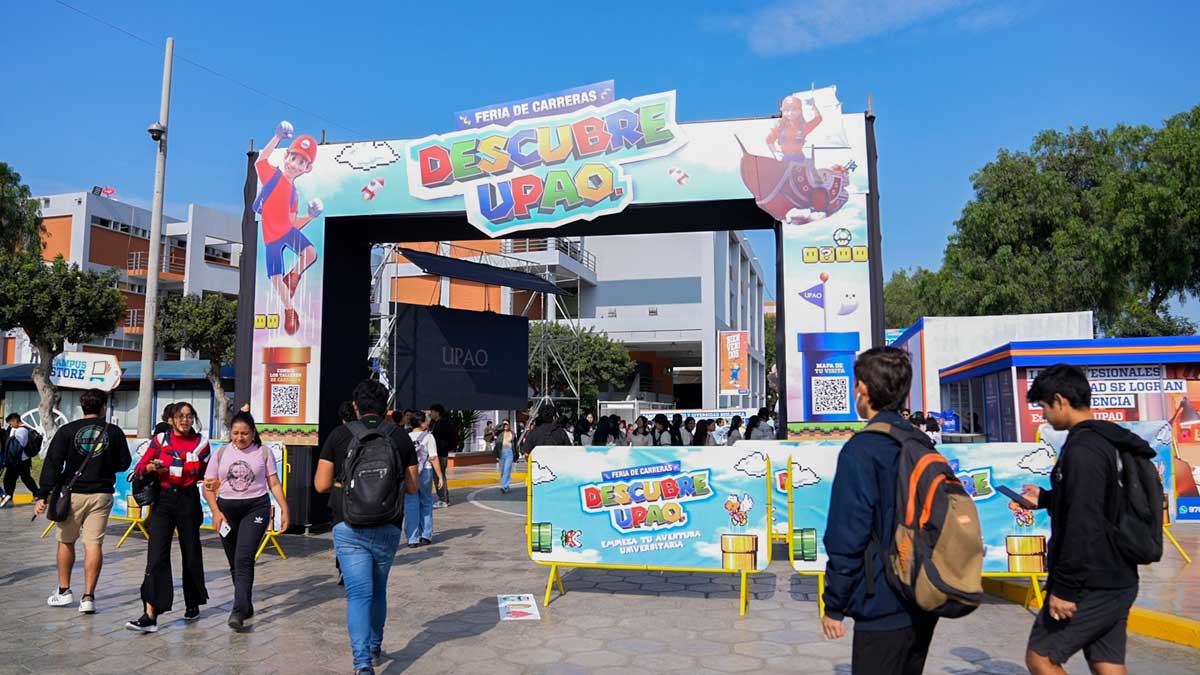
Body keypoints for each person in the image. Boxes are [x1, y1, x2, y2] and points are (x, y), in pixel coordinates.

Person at [1022, 364, 1151, 675]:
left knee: (1041, 658)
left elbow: (1083, 523)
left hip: (1088, 582)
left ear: (1060, 400)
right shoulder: (1109, 440)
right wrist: (1048, 499)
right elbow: (1099, 502)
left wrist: (1065, 589)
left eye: (1043, 407)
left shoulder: (1083, 449)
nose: (1043, 415)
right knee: (1106, 663)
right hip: (1118, 576)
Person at [821, 347, 938, 674]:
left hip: (882, 601)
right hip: (924, 592)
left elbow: (848, 535)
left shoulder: (861, 450)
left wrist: (834, 604)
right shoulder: (919, 441)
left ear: (863, 388)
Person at [316, 380, 418, 675]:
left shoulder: (339, 435)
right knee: (379, 589)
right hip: (388, 524)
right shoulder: (399, 436)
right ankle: (375, 646)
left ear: (356, 406)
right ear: (386, 407)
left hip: (347, 525)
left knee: (359, 594)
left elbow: (321, 484)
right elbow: (412, 487)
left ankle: (362, 664)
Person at [35, 389, 131, 615]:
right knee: (93, 544)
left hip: (72, 494)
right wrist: (104, 465)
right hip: (102, 494)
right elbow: (124, 463)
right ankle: (88, 597)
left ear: (82, 406)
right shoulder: (114, 432)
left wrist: (42, 494)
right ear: (103, 407)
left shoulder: (67, 431)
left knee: (66, 541)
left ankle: (64, 590)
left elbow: (53, 463)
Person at [126, 401, 211, 633]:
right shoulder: (160, 440)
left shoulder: (202, 443)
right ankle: (151, 614)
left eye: (189, 416)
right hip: (163, 500)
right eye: (180, 416)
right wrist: (152, 468)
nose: (185, 420)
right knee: (156, 557)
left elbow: (205, 474)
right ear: (171, 419)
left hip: (188, 499)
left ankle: (193, 602)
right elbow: (140, 467)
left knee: (191, 553)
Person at [203, 411, 289, 630]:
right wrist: (216, 511)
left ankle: (238, 609)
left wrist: (284, 509)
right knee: (234, 562)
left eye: (244, 433)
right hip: (226, 511)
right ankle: (246, 604)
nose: (239, 438)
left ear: (253, 433)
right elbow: (208, 486)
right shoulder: (221, 453)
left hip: (255, 508)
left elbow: (274, 483)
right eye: (235, 433)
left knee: (244, 558)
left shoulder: (263, 452)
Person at [256, 121, 322, 336]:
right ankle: (289, 310)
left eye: (301, 162)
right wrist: (277, 137)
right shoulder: (273, 175)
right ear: (286, 156)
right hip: (270, 238)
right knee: (275, 277)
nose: (295, 164)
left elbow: (293, 223)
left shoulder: (294, 194)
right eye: (293, 158)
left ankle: (293, 276)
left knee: (310, 253)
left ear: (307, 168)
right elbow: (260, 161)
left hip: (286, 231)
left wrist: (310, 216)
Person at [405, 410, 445, 546]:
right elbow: (433, 458)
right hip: (425, 472)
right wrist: (440, 476)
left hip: (410, 473)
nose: (428, 422)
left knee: (411, 504)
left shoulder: (406, 437)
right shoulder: (429, 437)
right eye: (426, 420)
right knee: (426, 502)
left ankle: (412, 538)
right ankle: (426, 535)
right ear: (422, 423)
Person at [2, 413, 41, 507]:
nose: (10, 425)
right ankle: (37, 494)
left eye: (10, 423)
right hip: (24, 460)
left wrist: (10, 459)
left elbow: (17, 447)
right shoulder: (26, 429)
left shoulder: (21, 431)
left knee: (8, 479)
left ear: (15, 420)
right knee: (26, 478)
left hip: (18, 461)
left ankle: (9, 498)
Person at [428, 404, 458, 508]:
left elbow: (448, 439)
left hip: (440, 454)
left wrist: (441, 447)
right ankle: (443, 498)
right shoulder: (436, 423)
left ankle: (443, 499)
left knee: (439, 476)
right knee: (438, 476)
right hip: (439, 453)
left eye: (432, 412)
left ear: (437, 412)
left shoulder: (443, 424)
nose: (430, 414)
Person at [494, 420, 517, 491]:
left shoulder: (512, 433)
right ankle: (505, 485)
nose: (506, 426)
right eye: (504, 425)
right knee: (502, 471)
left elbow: (515, 445)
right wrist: (502, 423)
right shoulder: (500, 433)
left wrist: (516, 454)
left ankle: (504, 486)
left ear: (509, 425)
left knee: (507, 470)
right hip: (501, 453)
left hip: (509, 453)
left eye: (507, 424)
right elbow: (494, 429)